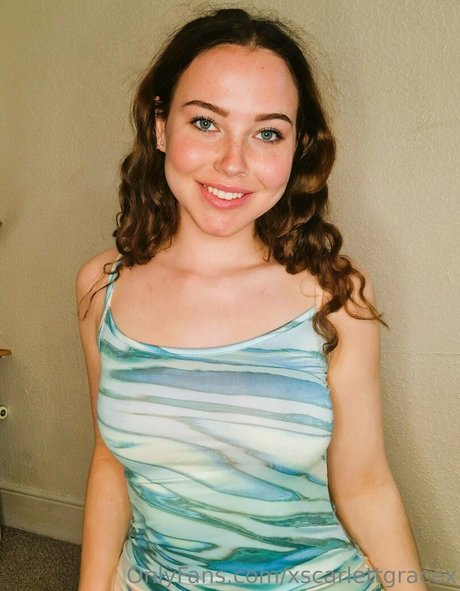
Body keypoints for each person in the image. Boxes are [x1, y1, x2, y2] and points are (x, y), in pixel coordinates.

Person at [76, 8, 427, 591]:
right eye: (205, 123)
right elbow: (111, 461)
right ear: (160, 126)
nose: (233, 163)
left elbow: (366, 485)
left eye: (267, 133)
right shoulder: (101, 287)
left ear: (296, 148)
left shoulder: (336, 296)